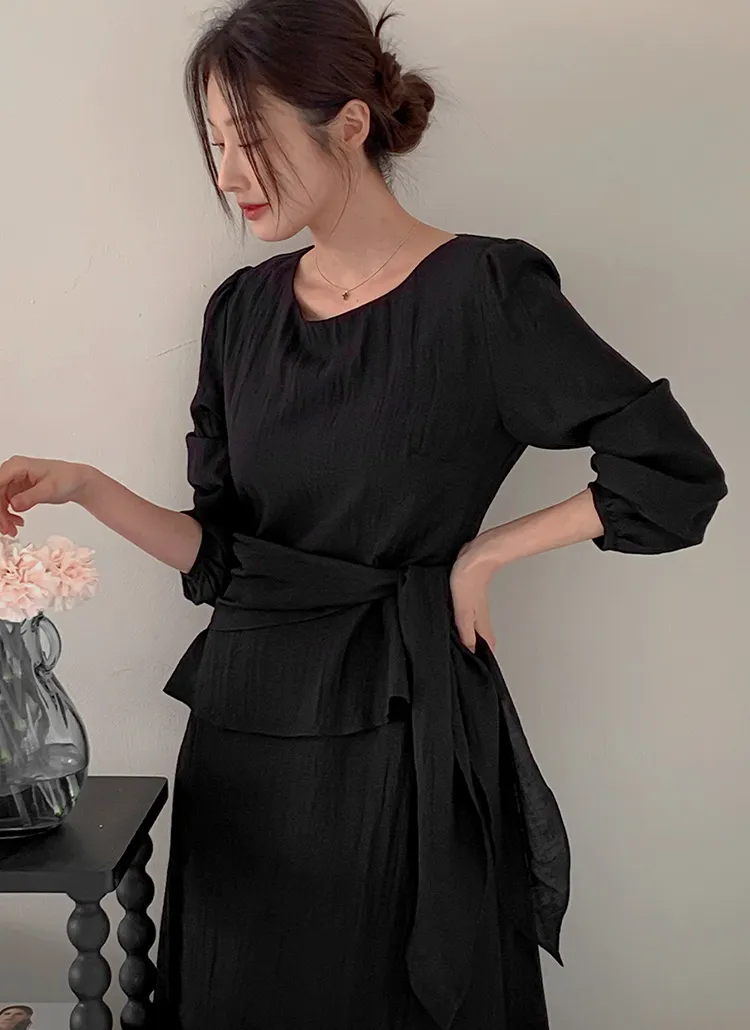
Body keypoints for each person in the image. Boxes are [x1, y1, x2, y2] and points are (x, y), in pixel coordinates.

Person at [0, 1, 727, 1027]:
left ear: (347, 123)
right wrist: (86, 486)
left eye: (249, 139)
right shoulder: (240, 312)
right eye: (214, 144)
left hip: (395, 720)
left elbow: (671, 471)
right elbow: (224, 559)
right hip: (243, 730)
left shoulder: (485, 291)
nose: (229, 174)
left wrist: (485, 554)